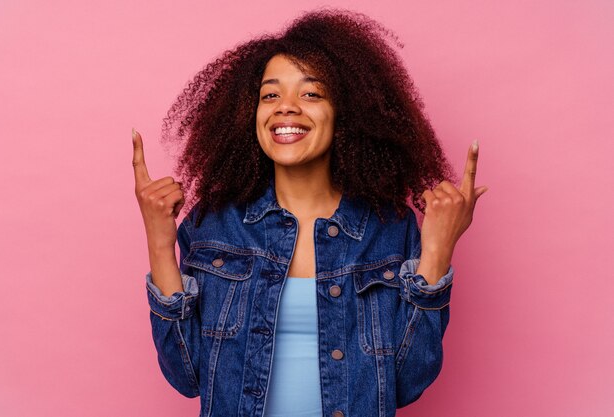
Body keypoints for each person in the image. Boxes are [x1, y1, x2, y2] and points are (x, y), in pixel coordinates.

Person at [132, 9, 487, 417]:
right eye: (270, 95)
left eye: (310, 94)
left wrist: (437, 253)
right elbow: (187, 376)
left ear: (345, 114)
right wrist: (159, 243)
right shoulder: (213, 225)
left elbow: (405, 383)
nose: (286, 107)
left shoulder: (389, 228)